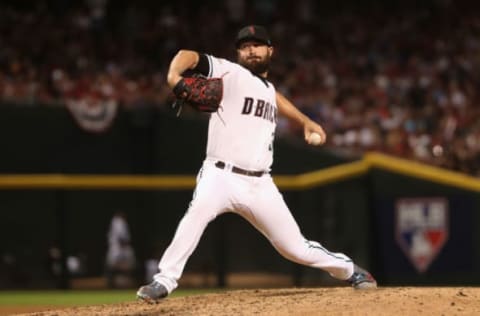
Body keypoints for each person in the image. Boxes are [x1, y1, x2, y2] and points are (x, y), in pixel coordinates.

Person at [137, 25, 376, 302]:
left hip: (260, 183)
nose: (251, 49)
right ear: (238, 52)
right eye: (245, 45)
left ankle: (350, 270)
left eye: (257, 44)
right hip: (220, 175)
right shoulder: (230, 72)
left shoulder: (268, 89)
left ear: (270, 51)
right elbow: (187, 55)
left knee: (295, 248)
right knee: (195, 216)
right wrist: (173, 75)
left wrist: (305, 121)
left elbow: (275, 97)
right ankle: (164, 280)